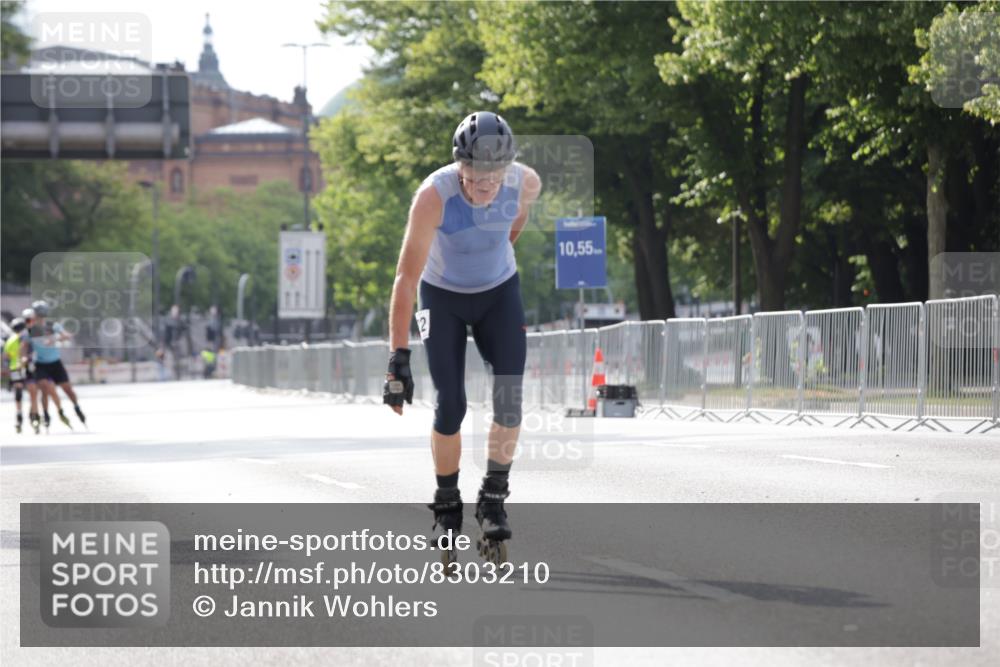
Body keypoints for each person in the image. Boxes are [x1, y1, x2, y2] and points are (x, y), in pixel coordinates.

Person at [383, 111, 542, 562]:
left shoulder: (524, 183)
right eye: (473, 178)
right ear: (459, 166)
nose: (483, 187)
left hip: (498, 292)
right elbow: (405, 279)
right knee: (449, 402)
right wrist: (397, 357)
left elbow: (515, 227)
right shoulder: (433, 197)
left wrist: (494, 257)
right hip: (442, 295)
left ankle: (493, 498)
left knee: (510, 397)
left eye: (493, 179)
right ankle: (447, 504)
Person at [26, 300, 86, 428]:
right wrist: (24, 357)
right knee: (44, 388)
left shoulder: (52, 326)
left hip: (55, 363)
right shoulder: (31, 329)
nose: (40, 316)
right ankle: (46, 414)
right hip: (41, 364)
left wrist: (54, 339)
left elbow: (66, 336)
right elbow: (24, 346)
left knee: (67, 389)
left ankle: (77, 407)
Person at [4, 317, 30, 433]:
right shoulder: (24, 337)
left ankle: (19, 415)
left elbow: (6, 356)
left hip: (14, 369)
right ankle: (34, 414)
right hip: (26, 367)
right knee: (34, 391)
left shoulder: (9, 340)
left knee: (18, 393)